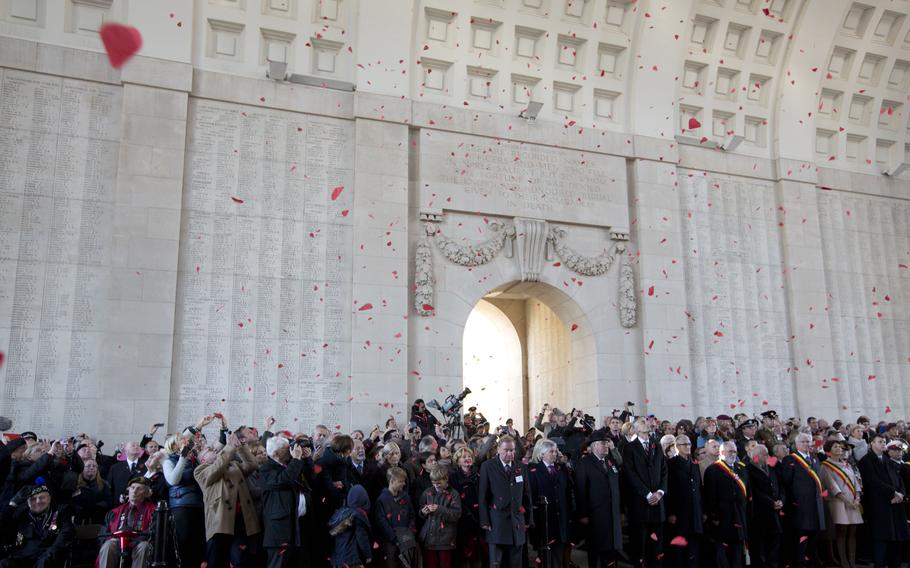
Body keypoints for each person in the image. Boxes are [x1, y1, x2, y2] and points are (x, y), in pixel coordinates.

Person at [194, 432, 261, 567]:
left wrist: (241, 447)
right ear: (203, 459)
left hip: (240, 520)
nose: (214, 450)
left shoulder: (233, 465)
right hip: (220, 521)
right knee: (216, 561)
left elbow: (252, 464)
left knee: (240, 560)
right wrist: (229, 446)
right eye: (209, 450)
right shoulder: (200, 470)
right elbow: (216, 469)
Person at [478, 435, 532, 568]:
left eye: (512, 450)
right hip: (497, 522)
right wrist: (484, 521)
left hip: (517, 522)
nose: (510, 453)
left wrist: (529, 519)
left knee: (516, 563)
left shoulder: (521, 467)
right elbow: (483, 496)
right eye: (506, 450)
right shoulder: (488, 466)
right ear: (498, 450)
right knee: (497, 563)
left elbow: (527, 495)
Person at [857, 434, 908, 568]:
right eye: (880, 441)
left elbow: (899, 479)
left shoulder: (887, 459)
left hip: (895, 504)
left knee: (896, 540)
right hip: (879, 506)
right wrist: (893, 493)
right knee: (882, 540)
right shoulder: (866, 461)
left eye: (884, 441)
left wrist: (901, 494)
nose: (883, 443)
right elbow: (873, 482)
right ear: (871, 444)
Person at [622, 418, 668, 567]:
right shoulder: (630, 448)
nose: (646, 423)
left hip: (657, 504)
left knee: (657, 547)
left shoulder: (656, 445)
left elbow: (664, 470)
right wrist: (648, 494)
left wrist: (660, 492)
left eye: (646, 422)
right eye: (642, 422)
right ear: (634, 429)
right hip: (640, 504)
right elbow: (630, 474)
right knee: (639, 546)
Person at [574, 428, 622, 568]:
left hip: (612, 516)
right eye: (603, 443)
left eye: (607, 443)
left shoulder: (610, 462)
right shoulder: (584, 463)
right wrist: (582, 514)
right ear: (594, 445)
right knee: (597, 554)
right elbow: (580, 490)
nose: (607, 445)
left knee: (612, 554)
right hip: (595, 516)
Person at [261, 436, 309, 568]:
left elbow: (309, 478)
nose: (291, 450)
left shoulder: (288, 465)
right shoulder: (266, 469)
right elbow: (285, 479)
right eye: (286, 448)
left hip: (291, 529)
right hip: (278, 532)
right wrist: (297, 460)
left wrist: (305, 459)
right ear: (275, 453)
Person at [778, 432, 826, 568]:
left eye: (808, 441)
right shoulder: (790, 460)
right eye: (803, 442)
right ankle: (799, 562)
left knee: (813, 535)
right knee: (801, 536)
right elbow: (786, 482)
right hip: (800, 505)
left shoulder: (814, 459)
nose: (806, 444)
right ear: (797, 444)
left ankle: (811, 560)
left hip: (815, 504)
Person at [0, 484, 74, 567]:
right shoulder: (21, 514)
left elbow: (66, 534)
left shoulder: (60, 512)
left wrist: (51, 552)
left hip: (48, 557)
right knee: (5, 563)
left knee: (45, 561)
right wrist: (12, 504)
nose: (38, 501)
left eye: (42, 497)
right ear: (28, 502)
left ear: (49, 499)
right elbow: (3, 527)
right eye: (33, 499)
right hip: (23, 557)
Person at [163, 432, 206, 568]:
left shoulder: (194, 459)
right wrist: (183, 458)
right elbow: (173, 480)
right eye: (182, 439)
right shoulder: (168, 460)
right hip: (181, 506)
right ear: (174, 445)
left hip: (199, 504)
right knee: (184, 544)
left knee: (198, 544)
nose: (186, 440)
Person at [528, 439, 572, 568]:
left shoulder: (561, 468)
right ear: (542, 454)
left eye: (556, 451)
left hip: (561, 518)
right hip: (544, 519)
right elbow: (532, 496)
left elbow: (568, 492)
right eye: (551, 451)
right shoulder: (533, 471)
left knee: (559, 554)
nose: (555, 454)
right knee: (544, 556)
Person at [703, 441, 748, 568]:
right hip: (723, 519)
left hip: (739, 516)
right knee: (723, 556)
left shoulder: (741, 468)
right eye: (730, 451)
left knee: (738, 554)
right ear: (722, 452)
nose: (733, 454)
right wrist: (714, 517)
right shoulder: (713, 470)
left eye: (734, 451)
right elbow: (710, 495)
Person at [96, 477, 156, 568]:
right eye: (132, 487)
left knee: (145, 546)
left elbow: (154, 532)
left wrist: (134, 541)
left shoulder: (154, 511)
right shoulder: (114, 512)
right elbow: (103, 534)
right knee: (108, 545)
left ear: (146, 493)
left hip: (140, 542)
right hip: (118, 542)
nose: (134, 491)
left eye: (139, 488)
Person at [820, 439, 862, 568]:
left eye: (840, 447)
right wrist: (847, 501)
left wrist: (857, 498)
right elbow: (832, 486)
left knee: (853, 531)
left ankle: (852, 561)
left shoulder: (847, 464)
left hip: (853, 501)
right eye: (835, 447)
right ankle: (844, 561)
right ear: (829, 450)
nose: (839, 449)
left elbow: (856, 483)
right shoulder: (826, 465)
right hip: (839, 502)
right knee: (842, 531)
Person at [666, 434, 702, 568]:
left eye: (689, 444)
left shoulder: (694, 464)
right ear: (677, 446)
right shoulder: (671, 464)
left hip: (694, 514)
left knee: (693, 550)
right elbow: (669, 489)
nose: (687, 447)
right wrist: (671, 512)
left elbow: (698, 490)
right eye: (684, 444)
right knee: (679, 552)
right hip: (680, 514)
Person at [746, 444, 783, 568]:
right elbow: (755, 492)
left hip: (775, 514)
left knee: (774, 543)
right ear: (756, 456)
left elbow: (779, 486)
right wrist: (771, 503)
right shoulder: (749, 469)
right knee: (761, 545)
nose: (768, 456)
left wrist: (781, 500)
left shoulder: (771, 468)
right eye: (765, 454)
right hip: (760, 514)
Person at [418, 465, 462, 568]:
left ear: (446, 479)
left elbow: (456, 515)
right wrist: (423, 512)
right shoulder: (428, 492)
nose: (436, 485)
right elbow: (420, 511)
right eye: (433, 483)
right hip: (429, 537)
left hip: (445, 539)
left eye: (438, 483)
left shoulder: (454, 494)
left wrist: (439, 509)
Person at [374, 467, 417, 568]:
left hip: (406, 540)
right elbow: (381, 522)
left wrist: (410, 532)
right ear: (392, 481)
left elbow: (412, 515)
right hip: (390, 542)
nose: (404, 484)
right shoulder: (382, 500)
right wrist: (394, 538)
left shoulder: (406, 497)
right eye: (401, 481)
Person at [450, 447, 484, 568]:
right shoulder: (453, 477)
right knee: (464, 557)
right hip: (463, 520)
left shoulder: (479, 474)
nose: (467, 459)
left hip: (480, 518)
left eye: (469, 456)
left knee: (479, 556)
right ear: (458, 461)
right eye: (464, 457)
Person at [328, 484, 372, 568]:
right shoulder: (358, 516)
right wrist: (368, 555)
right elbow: (362, 538)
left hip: (338, 559)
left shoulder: (341, 513)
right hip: (352, 559)